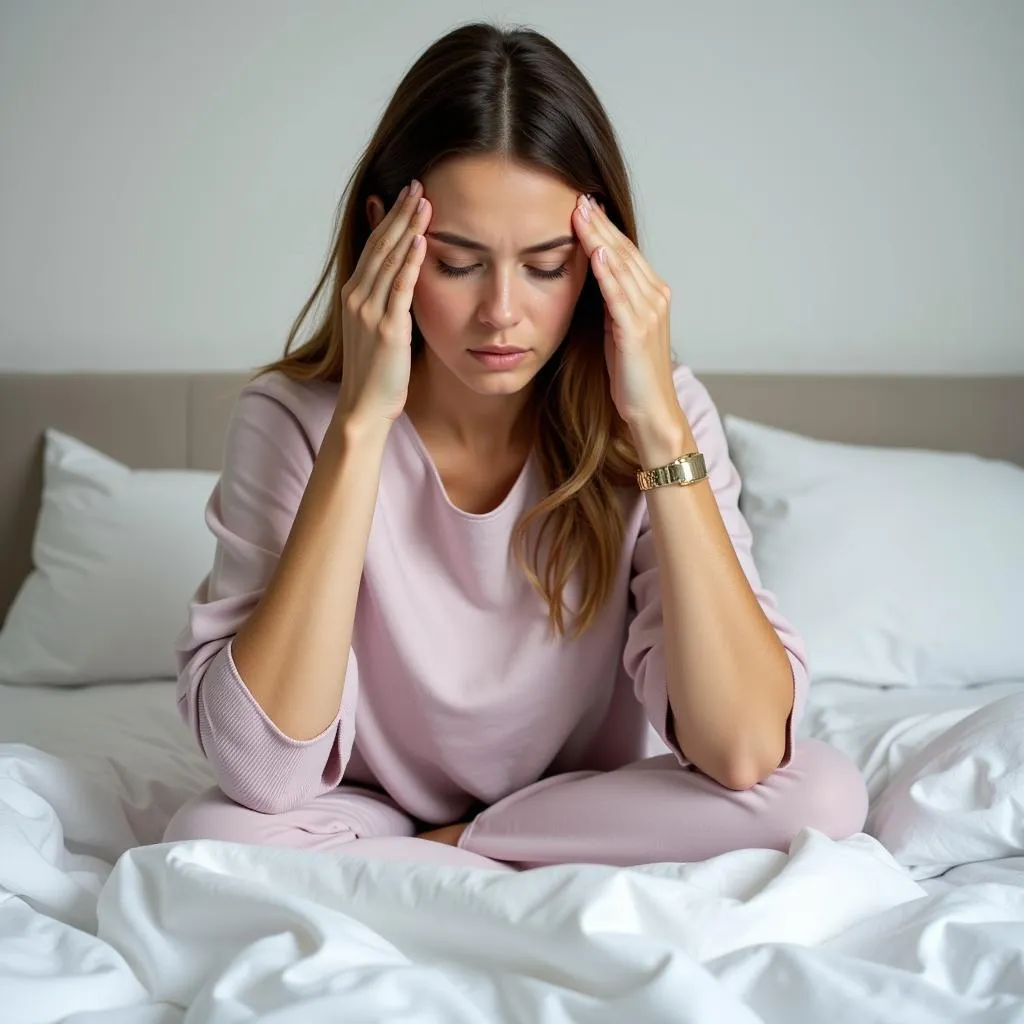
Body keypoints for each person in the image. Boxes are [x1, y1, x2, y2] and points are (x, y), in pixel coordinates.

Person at [163, 22, 867, 872]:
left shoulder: (663, 415)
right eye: (457, 263)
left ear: (603, 256)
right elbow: (265, 773)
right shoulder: (290, 420)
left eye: (547, 265)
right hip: (369, 811)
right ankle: (465, 848)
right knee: (211, 839)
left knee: (821, 795)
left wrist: (659, 431)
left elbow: (748, 747)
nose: (503, 312)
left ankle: (460, 849)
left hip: (569, 805)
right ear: (387, 237)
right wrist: (357, 429)